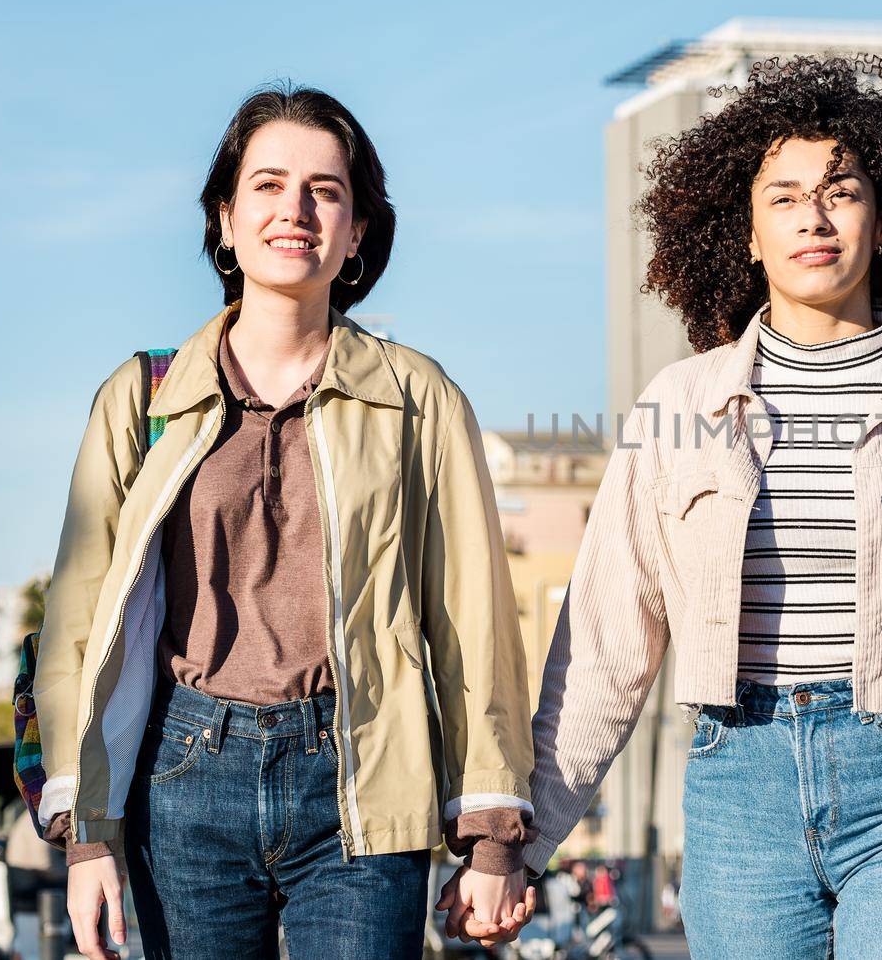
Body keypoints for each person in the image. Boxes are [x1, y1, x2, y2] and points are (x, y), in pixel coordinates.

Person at [509, 54, 882, 960]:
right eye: (783, 197)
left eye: (842, 191)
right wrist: (522, 845)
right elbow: (606, 645)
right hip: (740, 788)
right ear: (748, 235)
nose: (814, 216)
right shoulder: (678, 405)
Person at [33, 85, 538, 960]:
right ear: (225, 218)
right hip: (181, 777)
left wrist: (493, 835)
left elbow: (473, 621)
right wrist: (87, 834)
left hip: (363, 771)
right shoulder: (141, 398)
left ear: (358, 233)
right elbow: (78, 621)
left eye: (326, 190)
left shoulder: (417, 398)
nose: (294, 210)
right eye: (267, 185)